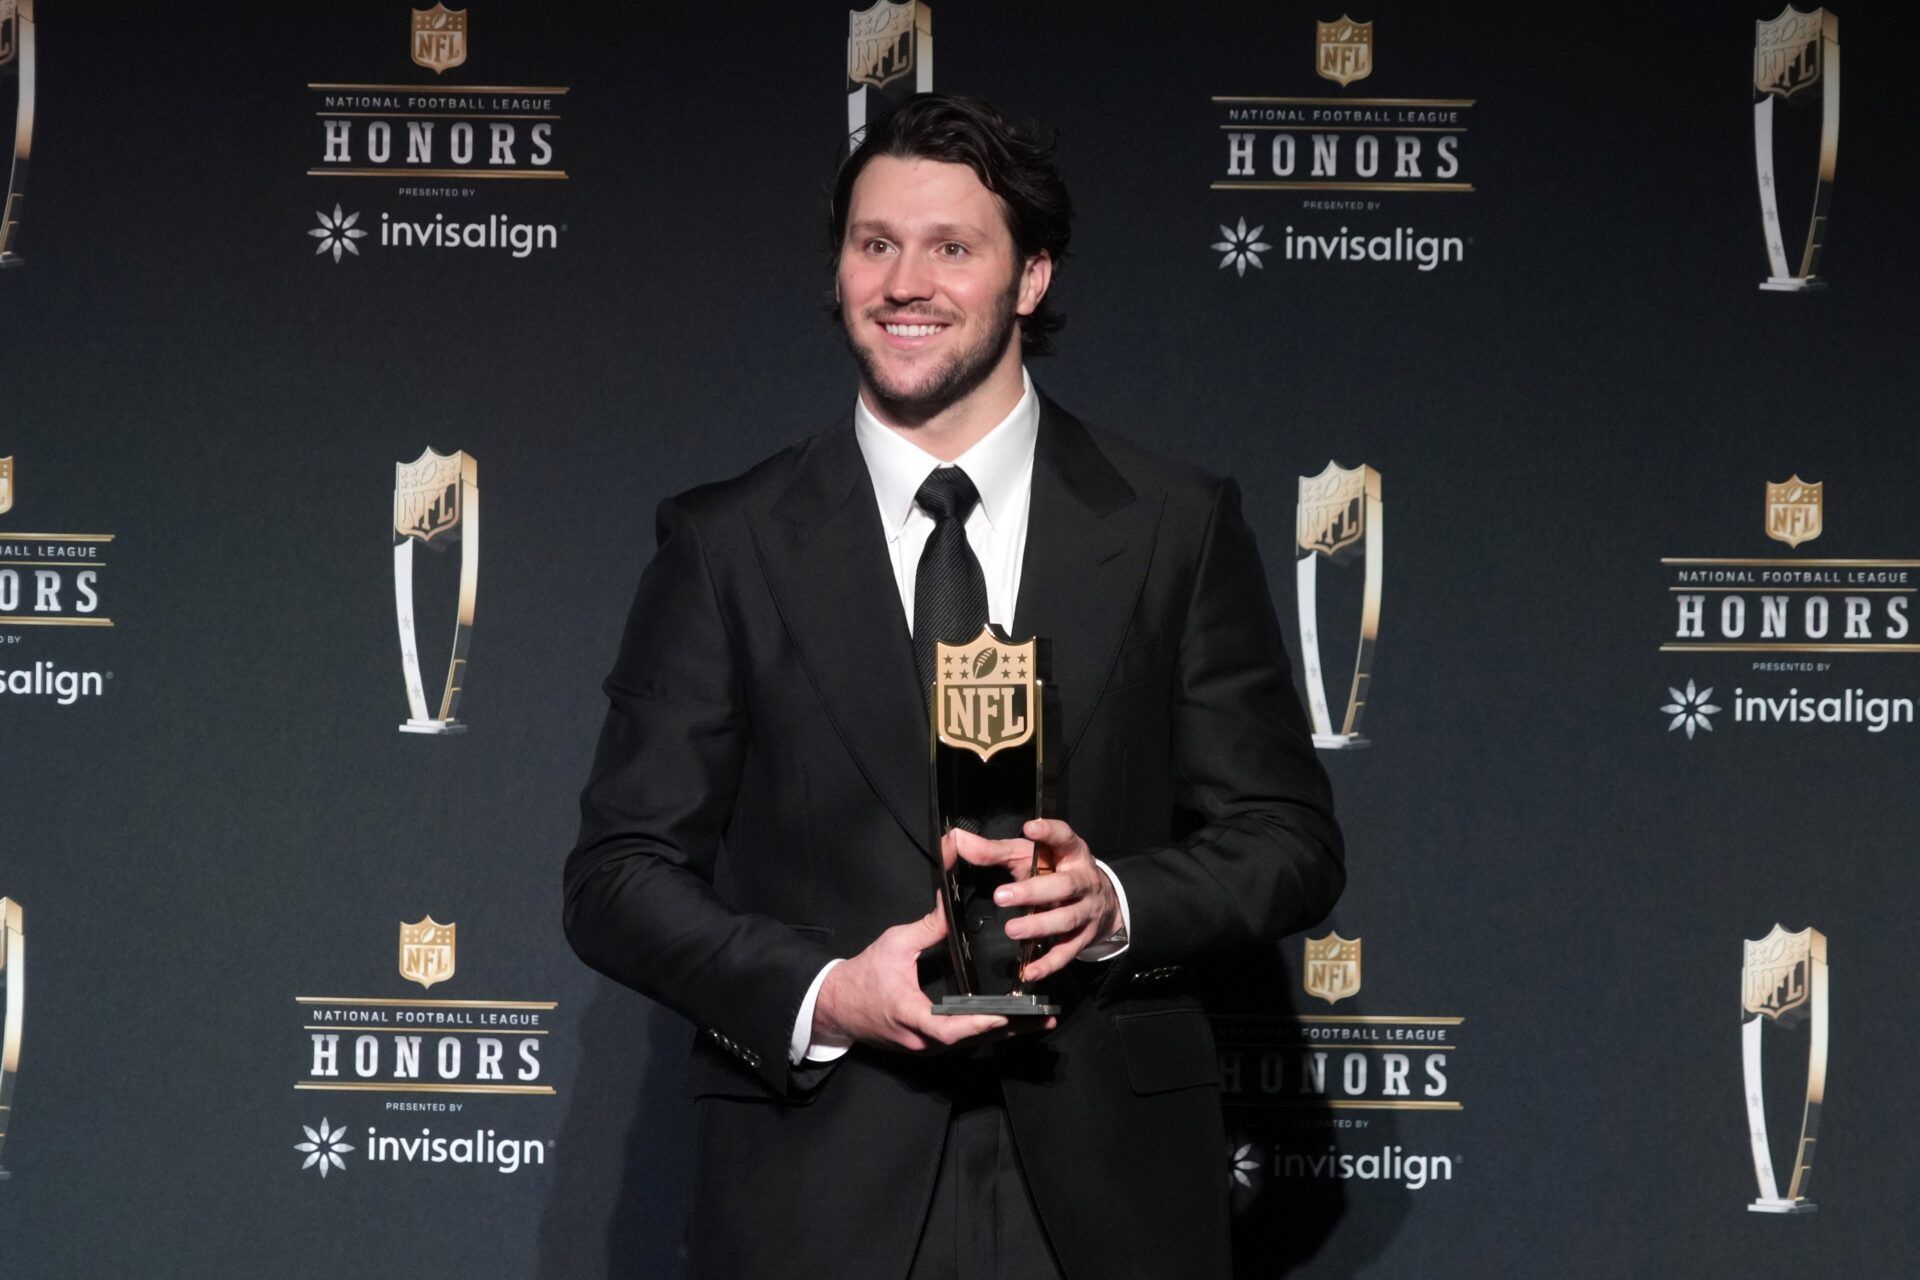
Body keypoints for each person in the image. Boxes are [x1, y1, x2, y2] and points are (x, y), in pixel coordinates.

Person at [564, 93, 1343, 1280]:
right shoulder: (726, 541)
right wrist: (829, 992)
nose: (903, 281)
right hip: (818, 1178)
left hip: (1110, 1186)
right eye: (874, 244)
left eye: (951, 247)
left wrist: (1113, 903)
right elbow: (616, 877)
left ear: (1030, 277)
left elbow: (1286, 837)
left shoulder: (1175, 524)